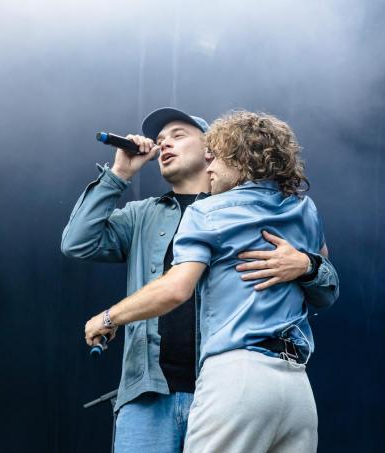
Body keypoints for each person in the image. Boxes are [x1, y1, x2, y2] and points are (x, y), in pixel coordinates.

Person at [64, 108, 338, 453]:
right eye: (160, 141)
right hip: (154, 391)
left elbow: (326, 282)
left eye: (178, 135)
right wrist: (119, 173)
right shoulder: (144, 214)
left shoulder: (229, 209)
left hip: (224, 382)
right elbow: (77, 242)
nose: (164, 144)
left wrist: (306, 265)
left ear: (216, 149)